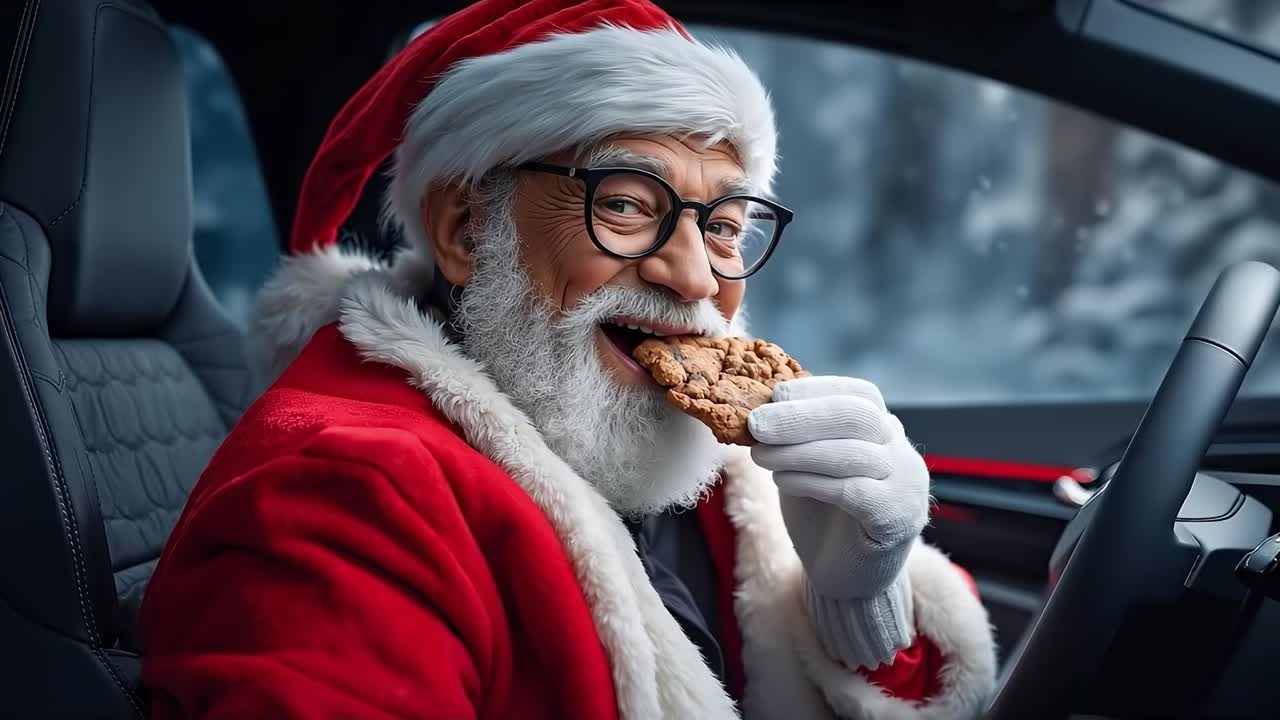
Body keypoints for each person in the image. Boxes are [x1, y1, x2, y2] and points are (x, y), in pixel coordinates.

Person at [140, 1, 997, 717]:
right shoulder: (345, 493)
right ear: (466, 230)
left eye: (727, 225)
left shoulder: (705, 466)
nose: (695, 273)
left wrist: (856, 597)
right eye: (626, 205)